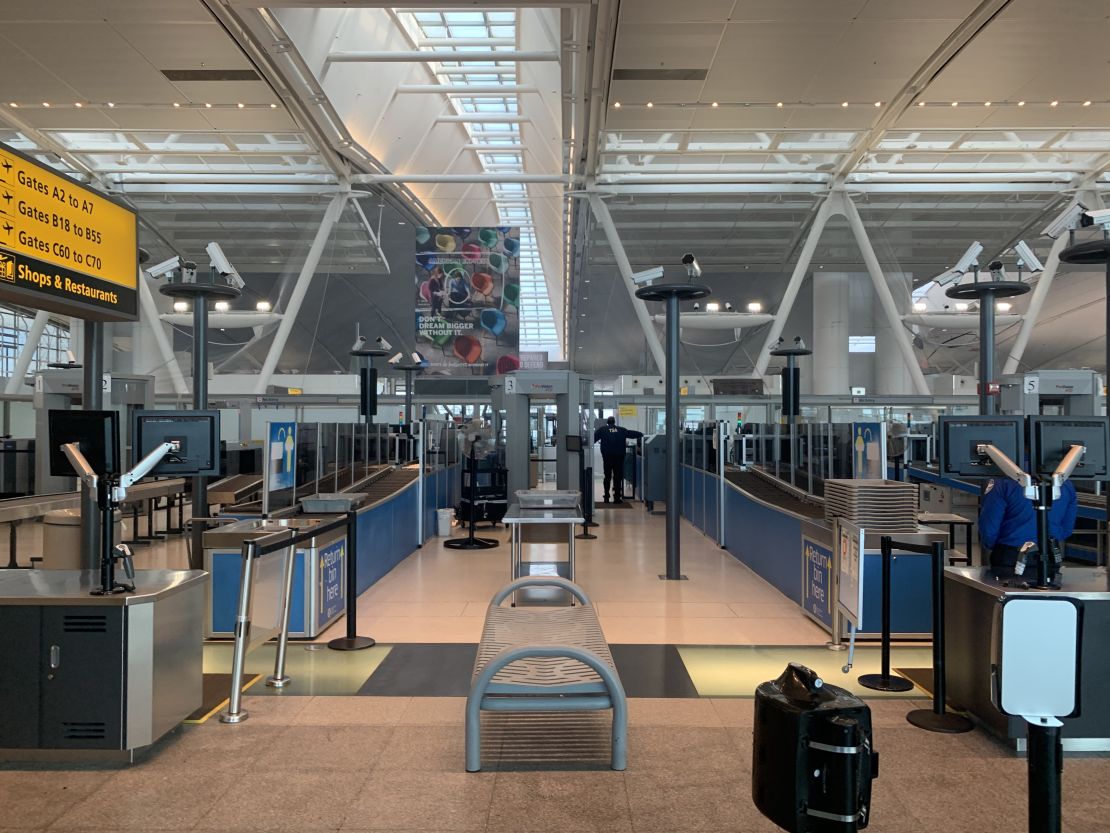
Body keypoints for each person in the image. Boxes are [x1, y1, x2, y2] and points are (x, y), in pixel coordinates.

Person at [979, 475, 1077, 579]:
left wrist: (999, 548)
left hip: (1010, 556)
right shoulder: (1065, 485)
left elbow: (988, 529)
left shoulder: (1004, 483)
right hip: (1050, 555)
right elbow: (1066, 529)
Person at [593, 416, 643, 503]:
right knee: (617, 477)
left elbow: (592, 439)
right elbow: (632, 434)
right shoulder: (622, 430)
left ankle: (606, 496)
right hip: (619, 457)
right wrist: (641, 434)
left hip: (607, 457)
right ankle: (617, 498)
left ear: (607, 422)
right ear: (614, 422)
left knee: (607, 476)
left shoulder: (602, 430)